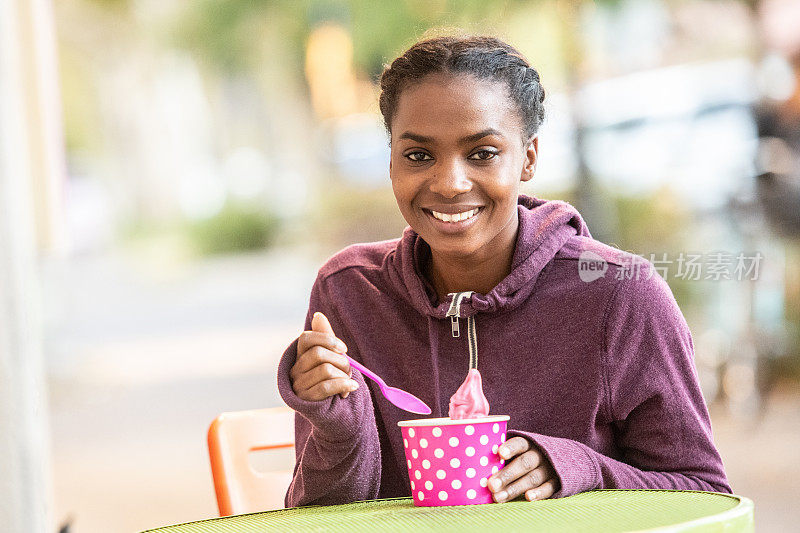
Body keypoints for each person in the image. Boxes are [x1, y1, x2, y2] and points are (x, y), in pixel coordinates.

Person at [276, 34, 731, 507]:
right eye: (418, 156)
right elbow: (317, 516)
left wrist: (581, 467)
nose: (450, 183)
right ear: (391, 159)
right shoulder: (350, 293)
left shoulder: (620, 295)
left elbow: (703, 495)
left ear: (528, 157)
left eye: (483, 153)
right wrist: (336, 426)